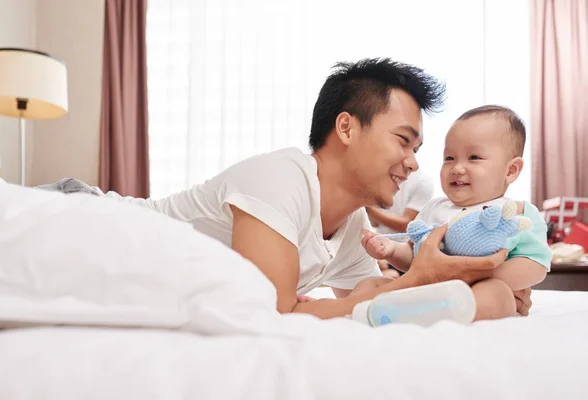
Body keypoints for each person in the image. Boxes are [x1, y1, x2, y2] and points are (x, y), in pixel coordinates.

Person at [96, 59, 531, 319]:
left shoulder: (352, 223)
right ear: (346, 127)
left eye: (418, 148)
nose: (415, 162)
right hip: (89, 221)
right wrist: (416, 278)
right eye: (403, 140)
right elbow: (276, 312)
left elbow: (371, 298)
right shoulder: (281, 176)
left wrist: (481, 287)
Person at [362, 105, 550, 320]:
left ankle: (436, 315)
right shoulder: (434, 208)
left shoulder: (517, 213)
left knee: (497, 295)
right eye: (449, 158)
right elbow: (415, 258)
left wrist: (477, 274)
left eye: (474, 157)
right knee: (371, 284)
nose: (457, 168)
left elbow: (536, 264)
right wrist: (391, 250)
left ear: (510, 170)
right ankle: (397, 313)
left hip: (476, 290)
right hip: (427, 288)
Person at [365, 169, 434, 277]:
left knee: (389, 276)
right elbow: (375, 223)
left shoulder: (423, 182)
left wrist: (368, 208)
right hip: (382, 250)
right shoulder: (381, 177)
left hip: (403, 255)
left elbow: (407, 224)